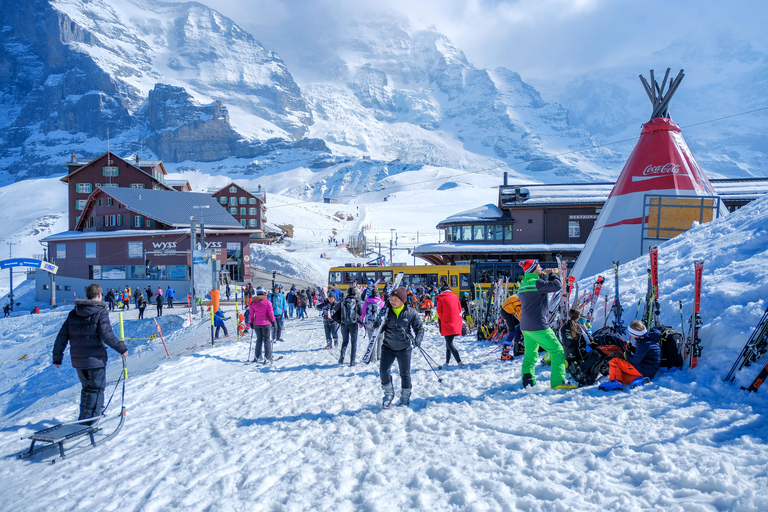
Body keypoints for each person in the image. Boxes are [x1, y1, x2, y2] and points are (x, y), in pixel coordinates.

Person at [52, 284, 128, 424]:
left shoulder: (73, 313)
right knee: (96, 389)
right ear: (99, 295)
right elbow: (106, 335)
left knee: (87, 389)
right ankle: (90, 423)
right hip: (95, 360)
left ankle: (84, 419)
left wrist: (57, 357)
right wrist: (122, 348)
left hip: (78, 361)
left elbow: (62, 336)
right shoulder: (100, 312)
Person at [517, 259, 577, 390]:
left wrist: (544, 277)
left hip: (526, 326)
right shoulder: (538, 283)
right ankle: (558, 381)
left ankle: (527, 381)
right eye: (538, 266)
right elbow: (557, 286)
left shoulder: (523, 284)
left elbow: (538, 290)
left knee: (530, 355)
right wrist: (552, 274)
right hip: (538, 325)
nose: (541, 268)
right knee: (557, 351)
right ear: (533, 269)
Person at [376, 287, 424, 408]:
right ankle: (388, 394)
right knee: (383, 371)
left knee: (405, 374)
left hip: (404, 348)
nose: (392, 301)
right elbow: (379, 329)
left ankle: (405, 397)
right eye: (391, 298)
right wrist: (379, 321)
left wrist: (418, 340)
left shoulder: (411, 312)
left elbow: (419, 328)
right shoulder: (386, 311)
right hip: (388, 347)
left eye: (395, 299)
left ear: (402, 300)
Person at [600, 320, 662, 390]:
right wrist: (632, 349)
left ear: (634, 334)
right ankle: (639, 380)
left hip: (644, 369)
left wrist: (627, 355)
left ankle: (614, 383)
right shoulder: (649, 336)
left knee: (614, 362)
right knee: (619, 375)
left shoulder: (643, 343)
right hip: (650, 370)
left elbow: (634, 361)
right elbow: (644, 354)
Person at [436, 284, 464, 368]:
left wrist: (443, 319)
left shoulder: (441, 298)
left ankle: (459, 361)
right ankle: (447, 362)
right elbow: (459, 309)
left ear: (442, 291)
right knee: (448, 342)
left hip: (446, 322)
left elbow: (439, 311)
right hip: (455, 322)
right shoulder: (455, 297)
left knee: (449, 343)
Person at [248, 286, 276, 363]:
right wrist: (273, 321)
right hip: (266, 323)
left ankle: (257, 356)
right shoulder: (267, 302)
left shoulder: (253, 303)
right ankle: (268, 357)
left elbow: (251, 314)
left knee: (259, 340)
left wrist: (251, 322)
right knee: (267, 340)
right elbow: (270, 313)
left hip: (257, 323)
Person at [337, 287, 362, 366]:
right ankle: (352, 361)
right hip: (353, 324)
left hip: (344, 324)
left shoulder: (343, 300)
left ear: (347, 293)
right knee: (353, 342)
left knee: (345, 341)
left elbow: (337, 311)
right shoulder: (356, 301)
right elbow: (360, 312)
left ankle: (342, 357)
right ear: (355, 293)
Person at [361, 288, 385, 361]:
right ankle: (379, 356)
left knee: (371, 340)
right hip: (379, 325)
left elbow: (363, 313)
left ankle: (372, 358)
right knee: (380, 339)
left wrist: (361, 324)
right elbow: (384, 313)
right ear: (378, 294)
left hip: (369, 324)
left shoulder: (367, 302)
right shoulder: (381, 302)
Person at [500, 294, 522, 360]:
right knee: (512, 331)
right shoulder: (521, 300)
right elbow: (520, 314)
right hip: (506, 312)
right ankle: (504, 354)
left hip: (508, 311)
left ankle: (517, 348)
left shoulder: (521, 296)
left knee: (518, 326)